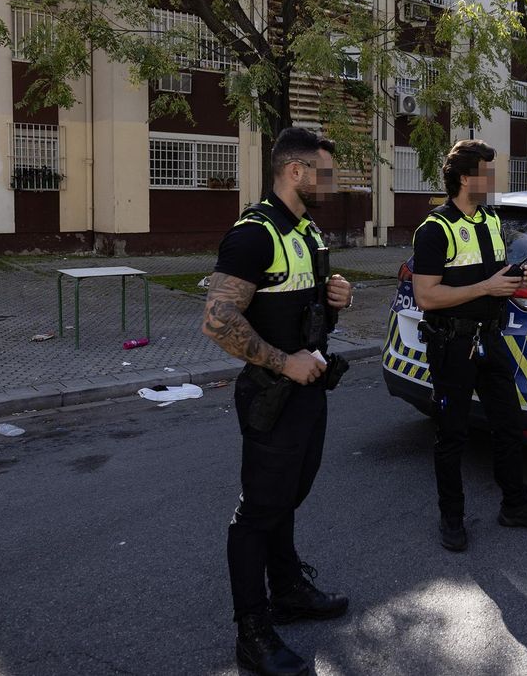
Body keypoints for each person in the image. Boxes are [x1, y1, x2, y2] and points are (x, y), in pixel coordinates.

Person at [201, 127, 354, 676]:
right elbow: (217, 320)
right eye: (325, 172)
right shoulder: (253, 233)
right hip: (272, 395)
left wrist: (337, 298)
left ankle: (288, 589)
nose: (330, 184)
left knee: (290, 495)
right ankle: (253, 631)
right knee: (258, 512)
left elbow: (308, 315)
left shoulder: (309, 232)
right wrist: (284, 361)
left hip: (309, 393)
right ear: (296, 171)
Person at [411, 140, 527, 552]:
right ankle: (452, 518)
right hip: (452, 345)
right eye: (486, 172)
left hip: (490, 338)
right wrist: (488, 286)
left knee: (509, 426)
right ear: (465, 178)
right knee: (452, 435)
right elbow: (426, 296)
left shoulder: (491, 221)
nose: (493, 180)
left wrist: (516, 282)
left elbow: (495, 278)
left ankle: (515, 505)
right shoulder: (434, 229)